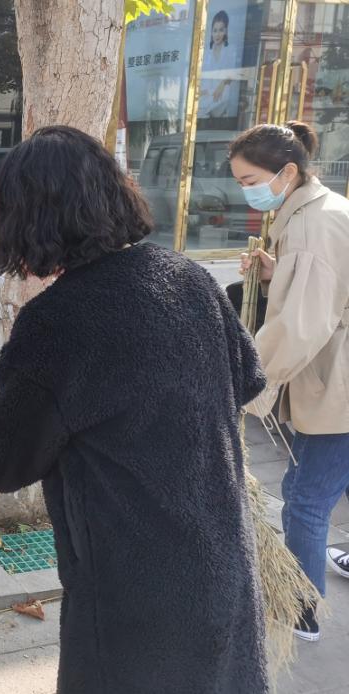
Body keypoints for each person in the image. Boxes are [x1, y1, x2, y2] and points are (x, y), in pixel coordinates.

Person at [0, 126, 269, 692]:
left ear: (31, 219)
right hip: (222, 568)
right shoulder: (190, 279)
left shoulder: (59, 323)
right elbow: (247, 379)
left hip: (133, 599)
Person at [235, 121, 349, 642]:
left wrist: (246, 378)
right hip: (329, 376)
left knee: (305, 499)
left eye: (249, 179)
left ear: (287, 171)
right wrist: (273, 271)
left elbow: (302, 322)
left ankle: (303, 612)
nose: (246, 191)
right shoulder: (313, 211)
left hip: (336, 382)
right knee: (309, 486)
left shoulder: (310, 226)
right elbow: (317, 288)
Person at [199, 10, 241, 119]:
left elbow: (232, 74)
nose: (217, 34)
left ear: (226, 31)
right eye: (215, 30)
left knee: (222, 95)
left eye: (221, 30)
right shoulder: (206, 54)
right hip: (207, 91)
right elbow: (203, 78)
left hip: (223, 92)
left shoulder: (231, 50)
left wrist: (222, 85)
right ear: (211, 32)